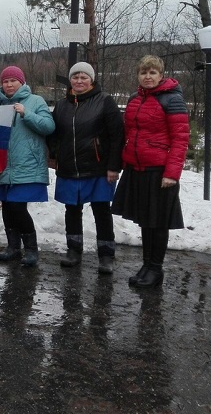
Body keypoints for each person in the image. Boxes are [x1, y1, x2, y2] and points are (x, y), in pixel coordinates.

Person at [112, 55, 189, 288]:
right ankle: (146, 265)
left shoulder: (173, 100)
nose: (147, 77)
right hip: (137, 169)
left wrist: (171, 174)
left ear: (161, 75)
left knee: (159, 222)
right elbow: (129, 134)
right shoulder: (135, 99)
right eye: (143, 72)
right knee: (146, 221)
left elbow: (180, 140)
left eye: (152, 72)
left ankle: (156, 268)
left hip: (160, 171)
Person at [48, 62, 124, 274]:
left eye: (84, 77)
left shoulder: (105, 101)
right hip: (69, 167)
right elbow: (53, 133)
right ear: (70, 80)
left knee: (101, 211)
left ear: (92, 79)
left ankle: (106, 255)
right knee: (72, 210)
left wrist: (114, 166)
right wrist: (56, 153)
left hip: (98, 167)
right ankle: (74, 250)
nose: (79, 81)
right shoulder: (62, 105)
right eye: (75, 77)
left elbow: (117, 135)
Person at [0, 65, 55, 267]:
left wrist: (27, 113)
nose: (9, 85)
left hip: (27, 165)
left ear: (22, 82)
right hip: (3, 166)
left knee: (18, 207)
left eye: (13, 80)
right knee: (7, 208)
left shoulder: (36, 101)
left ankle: (31, 249)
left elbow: (49, 126)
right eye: (5, 81)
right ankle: (13, 247)